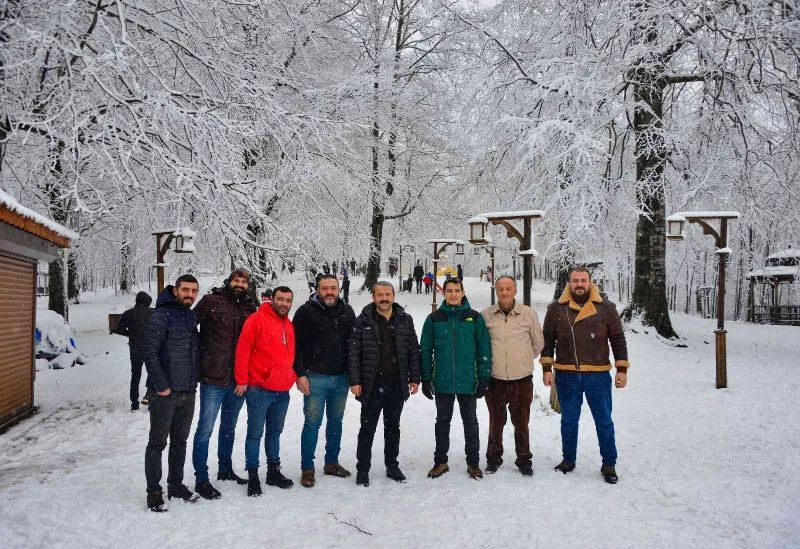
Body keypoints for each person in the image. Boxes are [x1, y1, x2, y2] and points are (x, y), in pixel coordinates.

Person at [540, 266, 629, 484]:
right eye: (575, 281)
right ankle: (568, 459)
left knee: (604, 421)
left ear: (590, 282)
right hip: (566, 374)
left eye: (583, 280)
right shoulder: (556, 309)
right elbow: (548, 340)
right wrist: (546, 368)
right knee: (568, 421)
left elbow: (617, 338)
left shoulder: (606, 308)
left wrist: (622, 369)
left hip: (597, 375)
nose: (579, 284)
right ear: (569, 283)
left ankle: (609, 463)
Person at [190, 269, 257, 501]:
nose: (239, 284)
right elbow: (189, 325)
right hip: (213, 377)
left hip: (238, 380)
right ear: (229, 282)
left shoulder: (250, 307)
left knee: (229, 427)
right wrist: (199, 355)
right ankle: (201, 478)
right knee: (205, 430)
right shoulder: (211, 301)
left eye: (244, 281)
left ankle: (226, 469)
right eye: (236, 280)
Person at [349, 282, 421, 487]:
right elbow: (353, 353)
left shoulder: (405, 320)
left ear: (393, 296)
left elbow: (413, 351)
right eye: (379, 294)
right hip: (372, 383)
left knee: (393, 427)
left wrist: (415, 378)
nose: (384, 298)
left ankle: (392, 465)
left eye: (387, 294)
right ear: (373, 297)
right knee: (367, 428)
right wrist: (355, 381)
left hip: (396, 383)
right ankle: (363, 469)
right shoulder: (362, 321)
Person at [420, 278, 491, 480]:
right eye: (449, 291)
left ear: (462, 292)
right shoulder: (434, 319)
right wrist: (426, 378)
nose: (453, 294)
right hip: (442, 382)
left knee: (470, 422)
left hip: (468, 381)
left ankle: (473, 463)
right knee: (442, 422)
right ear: (444, 293)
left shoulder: (474, 318)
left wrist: (484, 377)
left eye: (457, 291)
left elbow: (483, 349)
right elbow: (425, 350)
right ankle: (440, 462)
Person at [143, 274, 201, 512]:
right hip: (165, 393)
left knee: (180, 442)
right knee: (157, 444)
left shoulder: (190, 316)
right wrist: (161, 385)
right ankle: (154, 492)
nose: (189, 294)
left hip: (188, 390)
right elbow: (149, 352)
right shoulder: (160, 315)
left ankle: (175, 484)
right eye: (185, 290)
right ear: (175, 290)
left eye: (193, 291)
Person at [293, 274, 356, 487]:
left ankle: (331, 462)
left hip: (341, 379)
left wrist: (353, 375)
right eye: (325, 288)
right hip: (315, 377)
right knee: (312, 423)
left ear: (339, 289)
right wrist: (300, 373)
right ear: (317, 289)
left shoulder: (347, 312)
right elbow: (296, 345)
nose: (329, 292)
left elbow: (353, 346)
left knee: (336, 422)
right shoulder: (305, 312)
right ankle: (307, 468)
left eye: (333, 288)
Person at [235, 286, 297, 496]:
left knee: (274, 433)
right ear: (272, 300)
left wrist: (292, 376)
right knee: (255, 434)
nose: (284, 304)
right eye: (281, 299)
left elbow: (291, 354)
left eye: (288, 300)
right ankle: (253, 475)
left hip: (282, 391)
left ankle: (273, 471)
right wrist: (242, 379)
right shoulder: (256, 319)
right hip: (259, 389)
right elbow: (243, 350)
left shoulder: (288, 324)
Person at [481, 276, 544, 476]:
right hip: (495, 380)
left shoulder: (528, 315)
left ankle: (524, 459)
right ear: (496, 291)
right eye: (501, 289)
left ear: (515, 290)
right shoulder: (486, 315)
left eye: (508, 288)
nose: (505, 292)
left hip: (521, 380)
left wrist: (522, 359)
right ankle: (493, 458)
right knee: (496, 421)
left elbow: (538, 344)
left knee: (521, 422)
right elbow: (481, 344)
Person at [115, 291, 153, 411]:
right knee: (153, 373)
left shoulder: (128, 313)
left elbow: (119, 330)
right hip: (149, 348)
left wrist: (131, 334)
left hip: (135, 349)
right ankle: (149, 395)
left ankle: (134, 403)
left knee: (135, 375)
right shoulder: (153, 312)